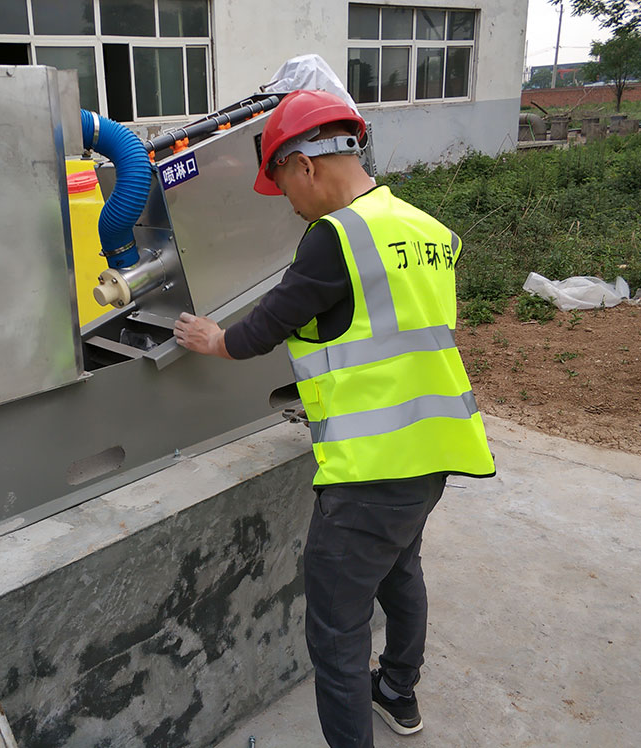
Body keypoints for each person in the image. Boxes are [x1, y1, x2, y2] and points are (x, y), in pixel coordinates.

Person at [173, 89, 496, 747]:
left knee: (336, 632)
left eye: (283, 187)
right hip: (435, 451)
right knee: (400, 573)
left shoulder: (336, 237)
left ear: (306, 166)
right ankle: (398, 693)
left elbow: (266, 327)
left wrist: (216, 339)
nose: (289, 204)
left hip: (370, 472)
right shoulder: (426, 229)